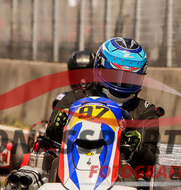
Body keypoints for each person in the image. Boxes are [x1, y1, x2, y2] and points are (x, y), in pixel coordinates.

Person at [47, 37, 160, 172]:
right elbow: (49, 138)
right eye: (115, 75)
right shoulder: (75, 99)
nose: (121, 83)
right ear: (99, 68)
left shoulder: (145, 111)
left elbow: (148, 158)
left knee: (128, 175)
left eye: (129, 78)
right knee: (54, 165)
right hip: (70, 168)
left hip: (118, 175)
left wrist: (134, 148)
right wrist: (58, 127)